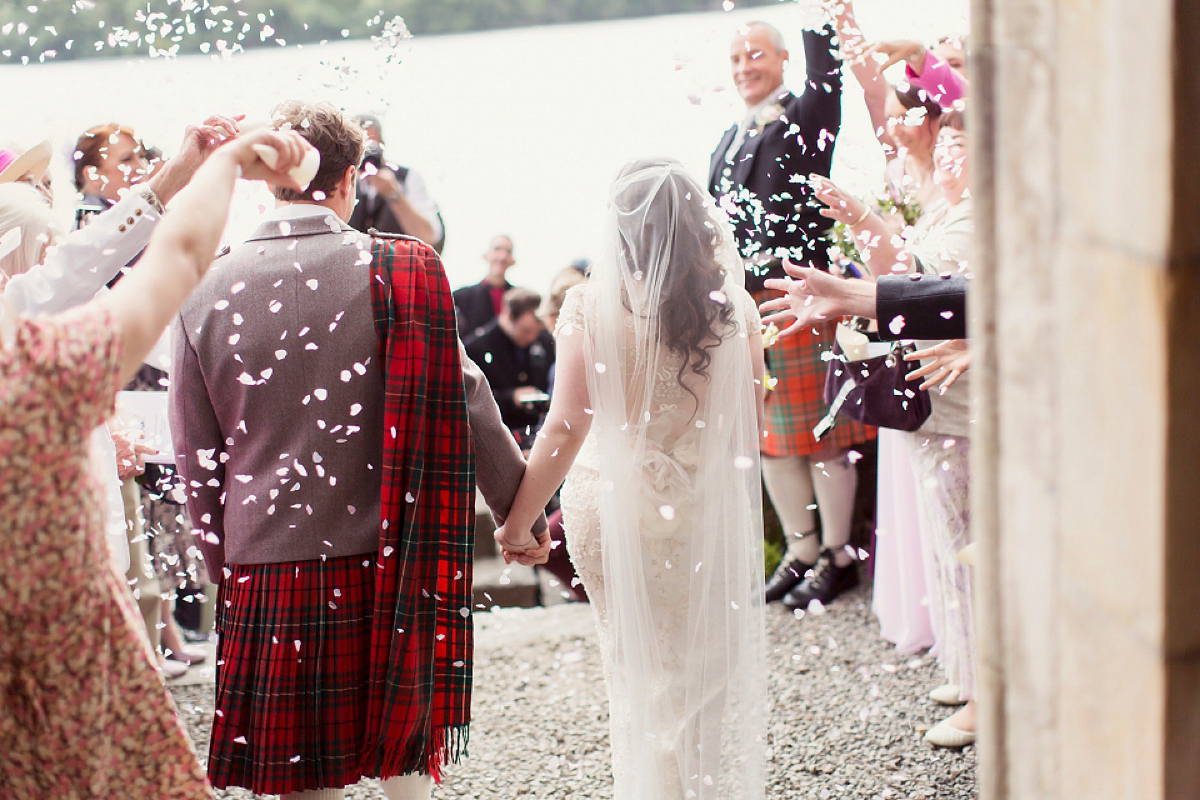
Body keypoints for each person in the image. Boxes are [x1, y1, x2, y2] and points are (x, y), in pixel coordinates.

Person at [170, 101, 546, 800]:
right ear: (349, 181)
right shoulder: (405, 266)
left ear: (265, 180)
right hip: (391, 557)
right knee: (406, 769)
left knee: (300, 783)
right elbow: (464, 397)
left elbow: (197, 453)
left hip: (266, 563)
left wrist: (221, 561)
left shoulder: (201, 286)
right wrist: (519, 510)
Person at [0, 122, 312, 800]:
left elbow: (82, 264)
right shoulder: (33, 367)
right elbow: (173, 261)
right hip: (76, 666)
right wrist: (222, 164)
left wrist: (178, 173)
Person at [495, 158, 767, 800]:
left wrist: (518, 519)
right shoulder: (736, 304)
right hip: (702, 500)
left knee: (634, 665)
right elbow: (750, 423)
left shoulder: (590, 305)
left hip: (609, 502)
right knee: (703, 670)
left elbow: (564, 427)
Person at [809, 108, 977, 747]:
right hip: (936, 399)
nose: (950, 153)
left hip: (964, 402)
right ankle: (968, 670)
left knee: (967, 546)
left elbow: (914, 283)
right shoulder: (943, 210)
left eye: (965, 143)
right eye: (948, 142)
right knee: (948, 542)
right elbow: (898, 276)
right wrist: (859, 220)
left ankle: (989, 691)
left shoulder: (974, 219)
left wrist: (863, 221)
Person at [710, 12, 872, 610]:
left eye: (755, 55)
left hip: (803, 298)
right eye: (735, 59)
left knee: (823, 437)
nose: (744, 67)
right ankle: (801, 554)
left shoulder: (806, 116)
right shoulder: (727, 138)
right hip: (750, 309)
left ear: (782, 60)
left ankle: (837, 556)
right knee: (773, 439)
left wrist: (816, 15)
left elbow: (829, 75)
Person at [464, 286, 553, 447]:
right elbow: (470, 400)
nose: (532, 338)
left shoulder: (545, 341)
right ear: (508, 316)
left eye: (536, 332)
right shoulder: (475, 348)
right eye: (526, 331)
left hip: (539, 435)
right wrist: (512, 397)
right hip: (497, 438)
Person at [347, 113, 444, 251]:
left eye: (371, 146)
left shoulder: (407, 178)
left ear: (382, 145)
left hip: (398, 266)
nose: (366, 154)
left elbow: (430, 238)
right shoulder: (342, 181)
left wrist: (395, 195)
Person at [453, 233, 517, 339]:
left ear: (512, 261)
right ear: (486, 256)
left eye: (508, 251)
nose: (502, 256)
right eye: (497, 249)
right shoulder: (462, 297)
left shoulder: (519, 299)